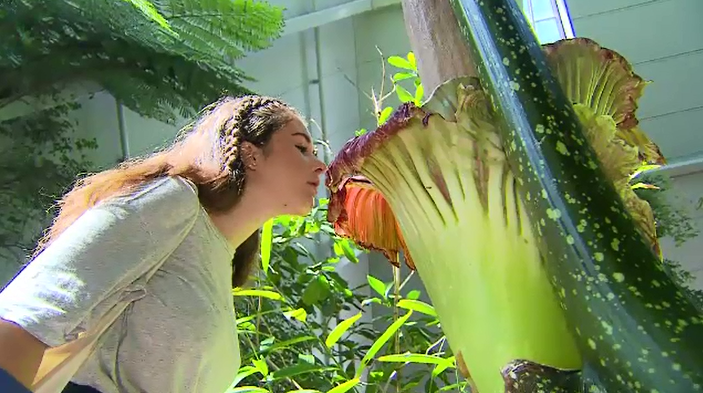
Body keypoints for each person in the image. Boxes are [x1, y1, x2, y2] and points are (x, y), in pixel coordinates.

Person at [0, 95, 327, 393]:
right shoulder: (176, 201)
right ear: (250, 153)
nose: (320, 164)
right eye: (301, 148)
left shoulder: (219, 265)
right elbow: (33, 309)